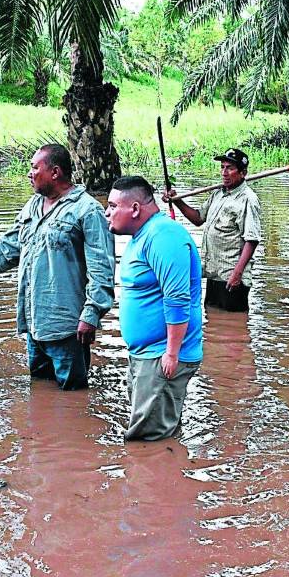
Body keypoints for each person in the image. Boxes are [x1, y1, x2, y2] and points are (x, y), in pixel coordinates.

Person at [0, 144, 114, 390]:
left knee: (74, 394)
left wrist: (92, 313)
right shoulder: (33, 205)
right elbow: (11, 244)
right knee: (40, 389)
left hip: (68, 326)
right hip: (35, 322)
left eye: (34, 168)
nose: (30, 173)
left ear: (55, 172)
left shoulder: (87, 210)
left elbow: (102, 267)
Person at [105, 175, 203, 441]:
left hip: (162, 356)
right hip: (147, 354)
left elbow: (177, 299)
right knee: (158, 433)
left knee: (148, 441)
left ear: (135, 209)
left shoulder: (164, 236)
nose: (107, 212)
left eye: (113, 206)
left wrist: (171, 354)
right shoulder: (143, 236)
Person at [165, 147, 262, 312]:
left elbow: (251, 240)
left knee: (234, 327)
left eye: (230, 168)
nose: (224, 172)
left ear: (243, 173)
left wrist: (237, 274)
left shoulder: (248, 199)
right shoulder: (217, 193)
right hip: (214, 274)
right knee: (213, 321)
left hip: (232, 277)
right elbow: (197, 218)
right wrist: (177, 201)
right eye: (222, 167)